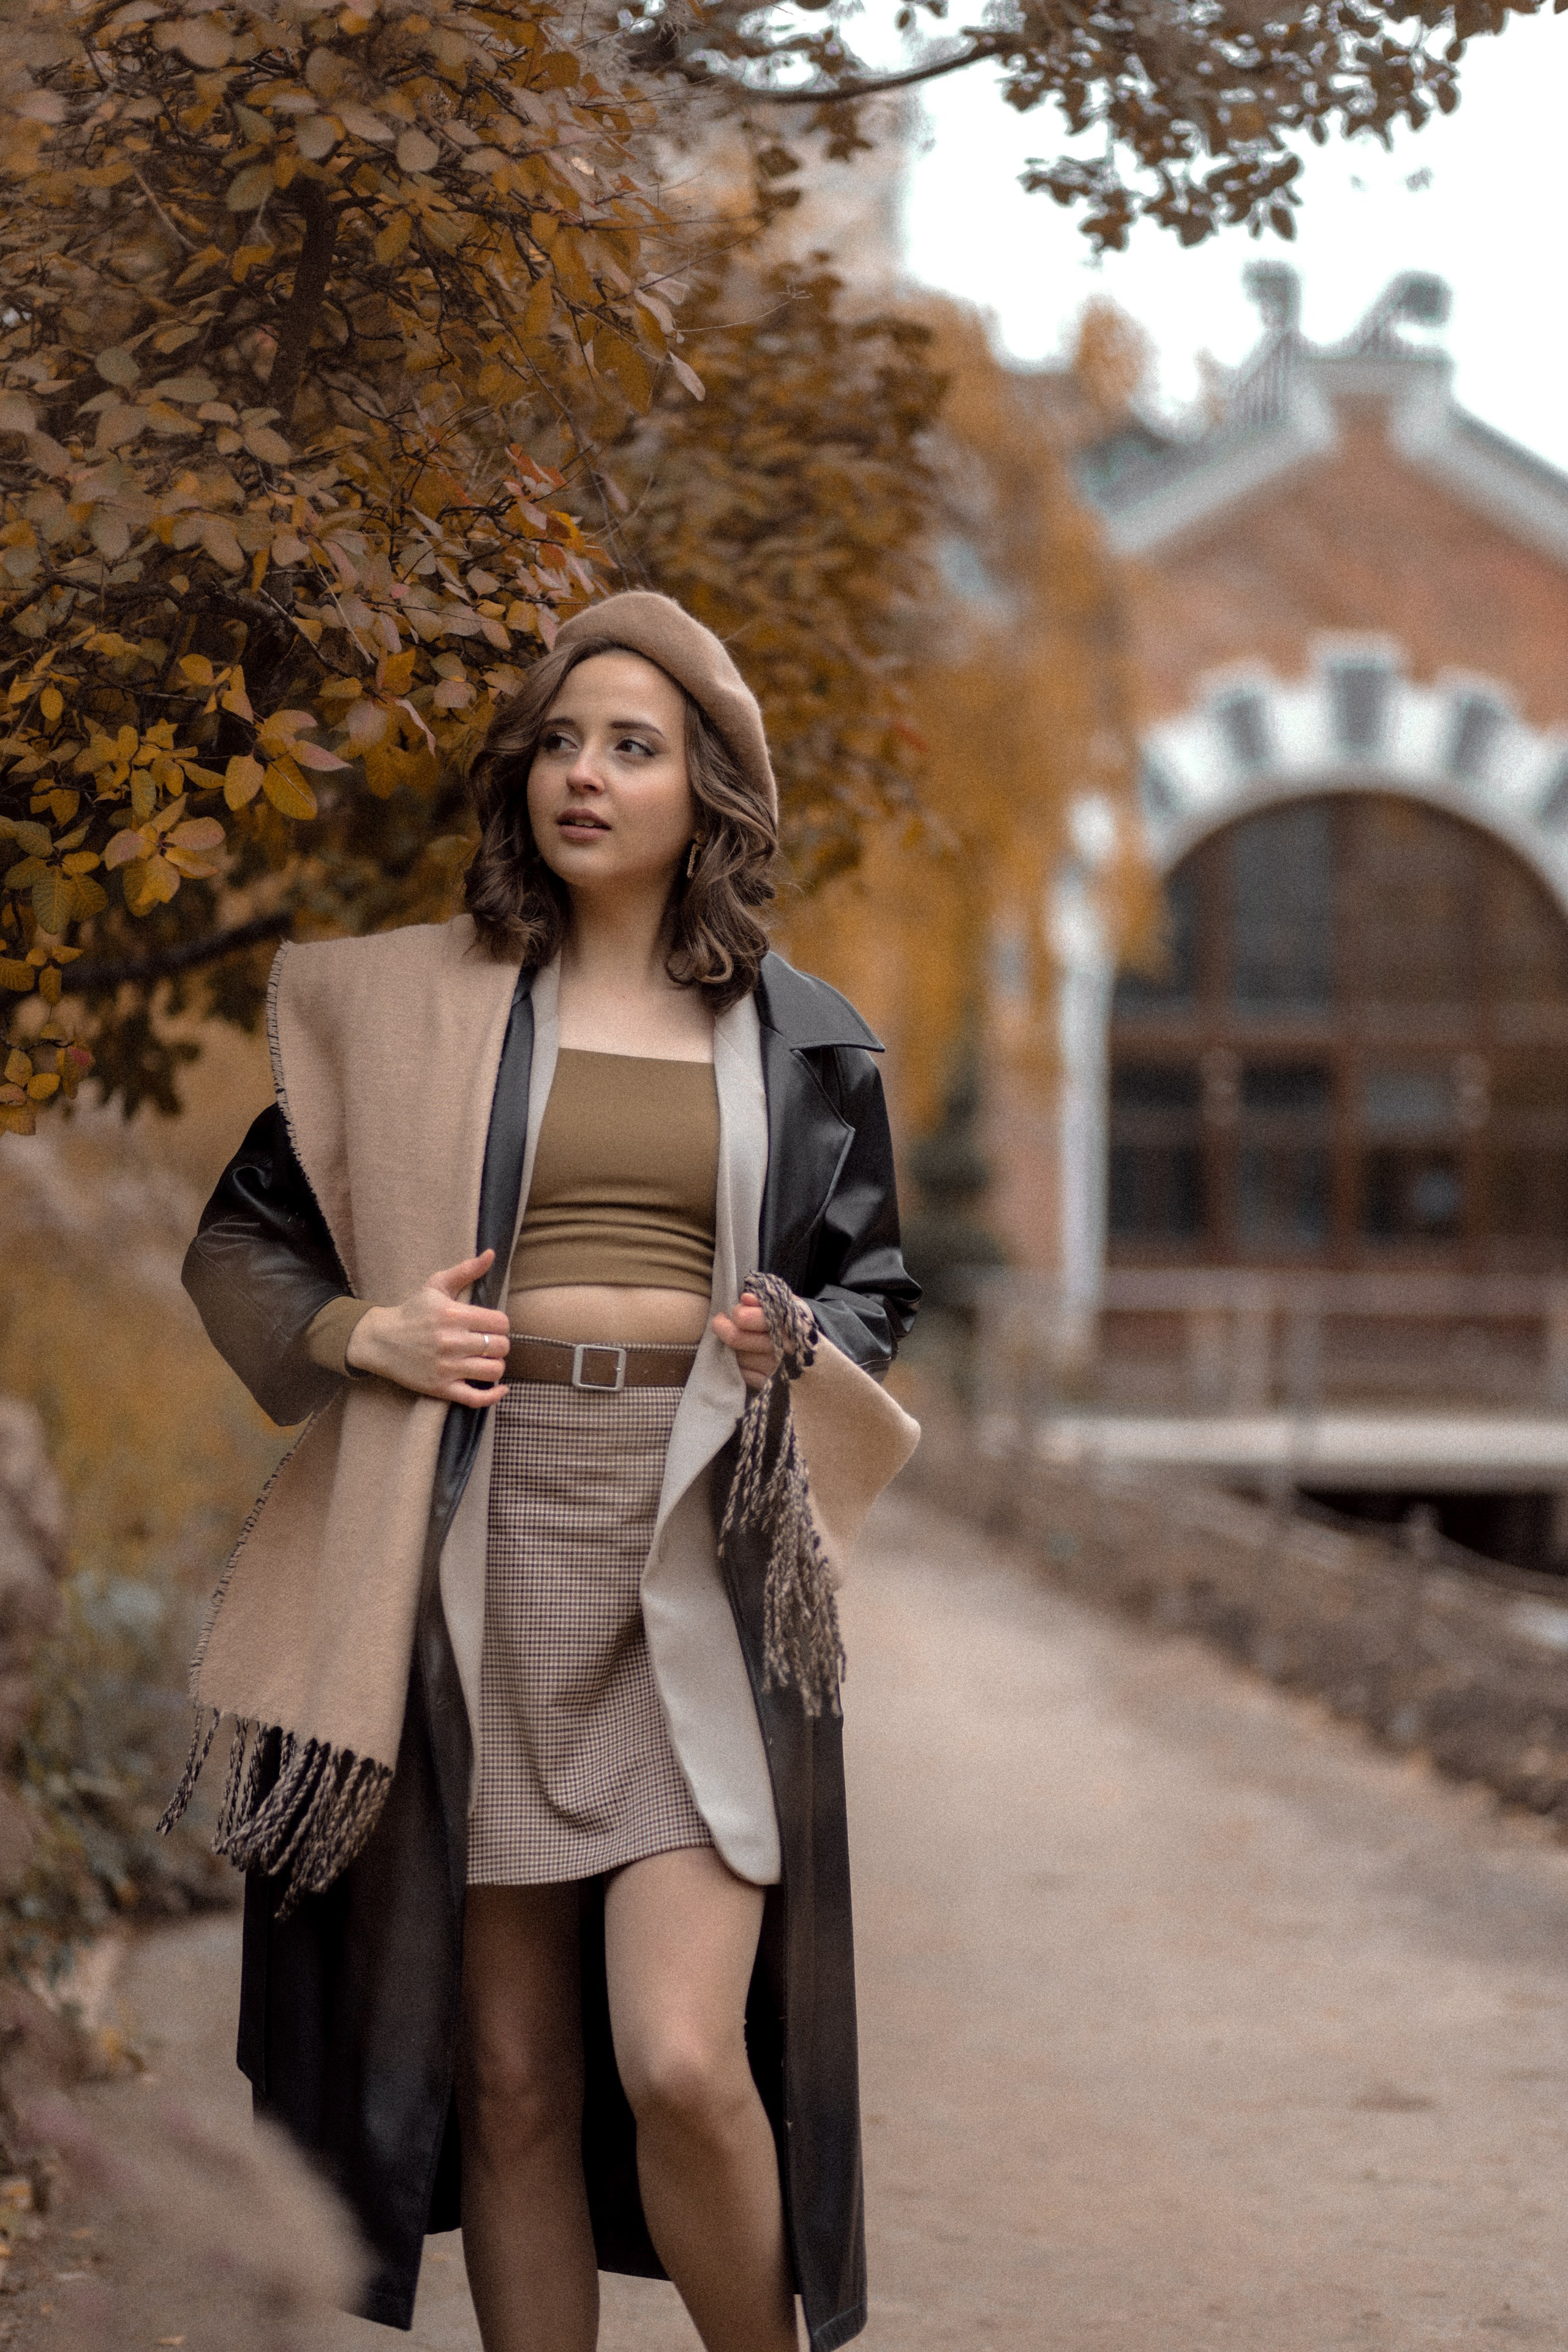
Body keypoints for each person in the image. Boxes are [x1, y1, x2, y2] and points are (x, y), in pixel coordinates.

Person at [167, 590, 920, 2352]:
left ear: (705, 792)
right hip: (473, 1549)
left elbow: (876, 1284)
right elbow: (241, 1244)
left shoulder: (804, 1037)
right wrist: (371, 1333)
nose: (585, 773)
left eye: (632, 748)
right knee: (509, 2080)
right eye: (561, 743)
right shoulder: (420, 1015)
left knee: (682, 2060)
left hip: (695, 1553)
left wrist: (802, 1337)